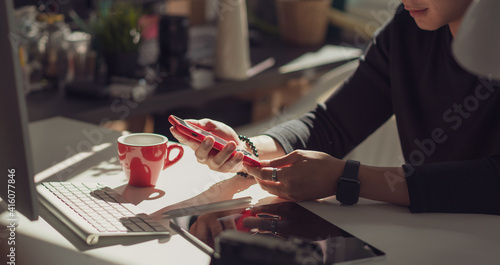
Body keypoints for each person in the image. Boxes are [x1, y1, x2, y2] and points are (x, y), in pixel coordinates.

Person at [171, 0, 500, 215]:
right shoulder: (408, 29)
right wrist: (247, 149)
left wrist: (348, 178)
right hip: (438, 234)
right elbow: (334, 124)